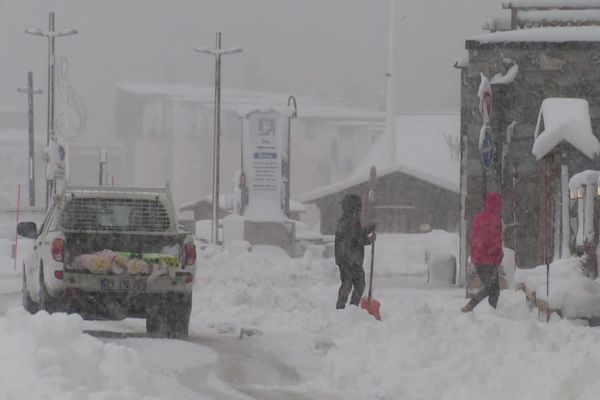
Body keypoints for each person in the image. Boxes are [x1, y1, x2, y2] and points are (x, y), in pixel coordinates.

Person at [462, 192, 504, 312]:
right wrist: (499, 255)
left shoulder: (480, 217)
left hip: (479, 258)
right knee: (492, 288)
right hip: (489, 259)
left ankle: (490, 312)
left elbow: (475, 237)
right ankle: (474, 305)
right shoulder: (495, 219)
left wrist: (476, 255)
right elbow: (494, 240)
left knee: (492, 288)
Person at [334, 194, 376, 309]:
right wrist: (369, 239)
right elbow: (357, 238)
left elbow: (357, 234)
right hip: (350, 258)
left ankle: (345, 308)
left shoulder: (347, 219)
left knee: (349, 283)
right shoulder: (350, 220)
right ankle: (346, 308)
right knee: (357, 284)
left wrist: (369, 228)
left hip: (346, 258)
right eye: (359, 206)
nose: (361, 209)